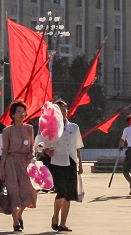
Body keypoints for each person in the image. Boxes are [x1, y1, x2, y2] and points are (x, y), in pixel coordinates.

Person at [44, 99, 84, 232]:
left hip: (71, 162)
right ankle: (55, 216)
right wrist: (47, 150)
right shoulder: (51, 127)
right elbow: (43, 144)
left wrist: (80, 164)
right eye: (59, 110)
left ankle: (63, 223)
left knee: (69, 195)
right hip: (57, 162)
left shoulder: (74, 127)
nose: (63, 112)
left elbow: (78, 147)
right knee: (61, 192)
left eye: (64, 110)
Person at [0, 100, 37, 232]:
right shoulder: (7, 131)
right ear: (13, 115)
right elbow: (4, 151)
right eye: (19, 112)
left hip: (25, 163)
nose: (22, 114)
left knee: (28, 193)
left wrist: (31, 155)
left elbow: (32, 146)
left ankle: (19, 214)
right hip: (11, 162)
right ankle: (15, 221)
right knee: (13, 192)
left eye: (23, 111)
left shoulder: (29, 128)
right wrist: (2, 168)